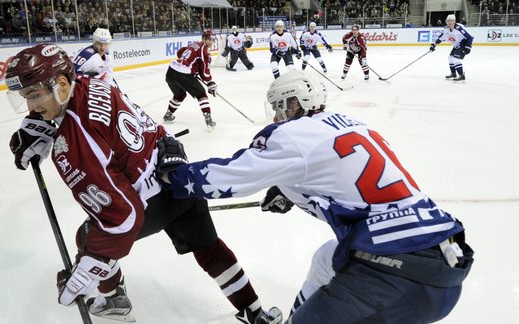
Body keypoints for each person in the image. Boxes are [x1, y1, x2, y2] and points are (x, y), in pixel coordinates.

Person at [157, 70, 474, 323]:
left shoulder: (291, 134)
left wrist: (175, 175)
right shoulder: (356, 125)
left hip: (397, 276)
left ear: (293, 104)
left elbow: (227, 178)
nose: (278, 115)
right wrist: (288, 190)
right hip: (445, 259)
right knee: (327, 258)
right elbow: (344, 180)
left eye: (281, 107)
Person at [4, 43, 282, 324]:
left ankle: (114, 300)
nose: (31, 106)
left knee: (87, 237)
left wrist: (92, 264)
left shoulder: (72, 146)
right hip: (176, 175)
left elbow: (123, 219)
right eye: (27, 98)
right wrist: (40, 122)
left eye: (34, 96)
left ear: (61, 85)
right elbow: (139, 124)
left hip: (148, 203)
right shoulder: (93, 84)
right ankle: (256, 312)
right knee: (209, 247)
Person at [163, 30, 217, 130]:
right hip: (183, 74)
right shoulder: (204, 50)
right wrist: (210, 82)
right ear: (204, 39)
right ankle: (208, 119)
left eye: (213, 39)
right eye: (209, 39)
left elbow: (180, 52)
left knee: (180, 95)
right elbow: (205, 71)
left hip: (171, 72)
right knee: (201, 94)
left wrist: (192, 68)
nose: (211, 42)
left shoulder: (194, 44)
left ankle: (168, 114)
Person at [429, 14, 474, 81]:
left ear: (454, 21)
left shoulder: (459, 28)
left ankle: (461, 75)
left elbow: (469, 37)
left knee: (456, 59)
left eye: (451, 21)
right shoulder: (446, 29)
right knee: (450, 58)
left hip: (463, 44)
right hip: (457, 45)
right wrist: (434, 45)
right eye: (448, 21)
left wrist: (468, 47)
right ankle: (453, 73)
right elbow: (441, 38)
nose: (449, 22)